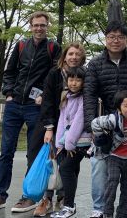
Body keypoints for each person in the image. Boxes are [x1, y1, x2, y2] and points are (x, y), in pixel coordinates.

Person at [0, 11, 61, 213]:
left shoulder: (53, 47)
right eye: (35, 25)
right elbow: (9, 72)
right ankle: (0, 195)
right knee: (6, 151)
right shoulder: (21, 46)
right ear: (30, 26)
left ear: (47, 26)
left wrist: (45, 94)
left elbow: (56, 75)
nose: (39, 28)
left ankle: (29, 196)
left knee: (32, 153)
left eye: (43, 25)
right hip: (14, 104)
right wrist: (8, 93)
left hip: (36, 108)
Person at [83, 21, 127, 218]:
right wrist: (91, 126)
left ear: (126, 40)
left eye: (120, 37)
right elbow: (90, 95)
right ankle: (99, 208)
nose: (115, 40)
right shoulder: (95, 64)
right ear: (105, 39)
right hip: (106, 124)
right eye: (111, 36)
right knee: (99, 167)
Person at [30, 42, 87, 217]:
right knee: (49, 162)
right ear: (65, 56)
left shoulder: (84, 75)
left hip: (75, 129)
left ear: (82, 58)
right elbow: (47, 100)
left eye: (77, 54)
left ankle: (64, 199)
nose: (74, 57)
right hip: (53, 123)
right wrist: (49, 127)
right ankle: (45, 199)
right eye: (70, 54)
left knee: (69, 165)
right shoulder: (55, 74)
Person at [91, 90, 127, 218]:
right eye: (126, 105)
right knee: (112, 184)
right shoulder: (113, 119)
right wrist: (102, 136)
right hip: (114, 156)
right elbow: (94, 123)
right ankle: (107, 213)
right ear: (119, 109)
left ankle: (122, 214)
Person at [53, 66, 92, 218]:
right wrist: (59, 144)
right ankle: (69, 206)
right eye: (71, 79)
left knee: (66, 169)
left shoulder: (84, 98)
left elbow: (79, 121)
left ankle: (69, 206)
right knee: (69, 170)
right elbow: (62, 121)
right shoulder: (66, 96)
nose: (74, 83)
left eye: (78, 80)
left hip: (80, 142)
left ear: (83, 82)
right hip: (67, 141)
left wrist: (68, 144)